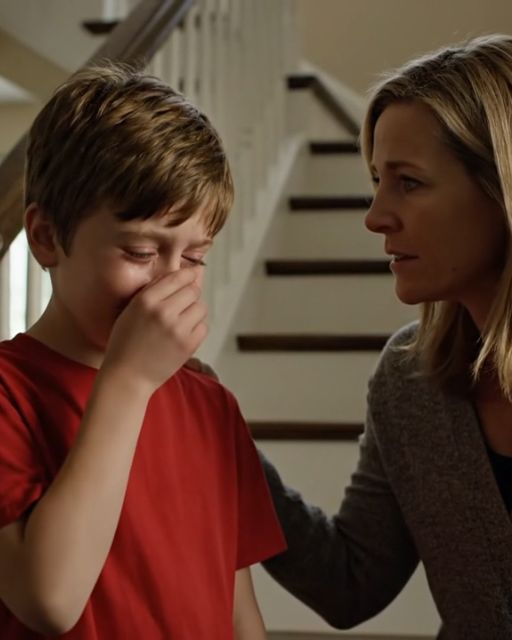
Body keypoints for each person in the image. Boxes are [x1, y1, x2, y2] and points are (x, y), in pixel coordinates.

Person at [0, 62, 285, 639]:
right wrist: (128, 381)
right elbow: (49, 599)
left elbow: (239, 613)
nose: (170, 283)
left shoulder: (213, 408)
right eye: (140, 252)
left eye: (195, 258)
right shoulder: (10, 394)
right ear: (48, 238)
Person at [257, 33, 512, 639]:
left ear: (501, 188)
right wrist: (223, 444)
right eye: (376, 179)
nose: (374, 216)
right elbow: (351, 582)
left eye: (409, 182)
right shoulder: (408, 379)